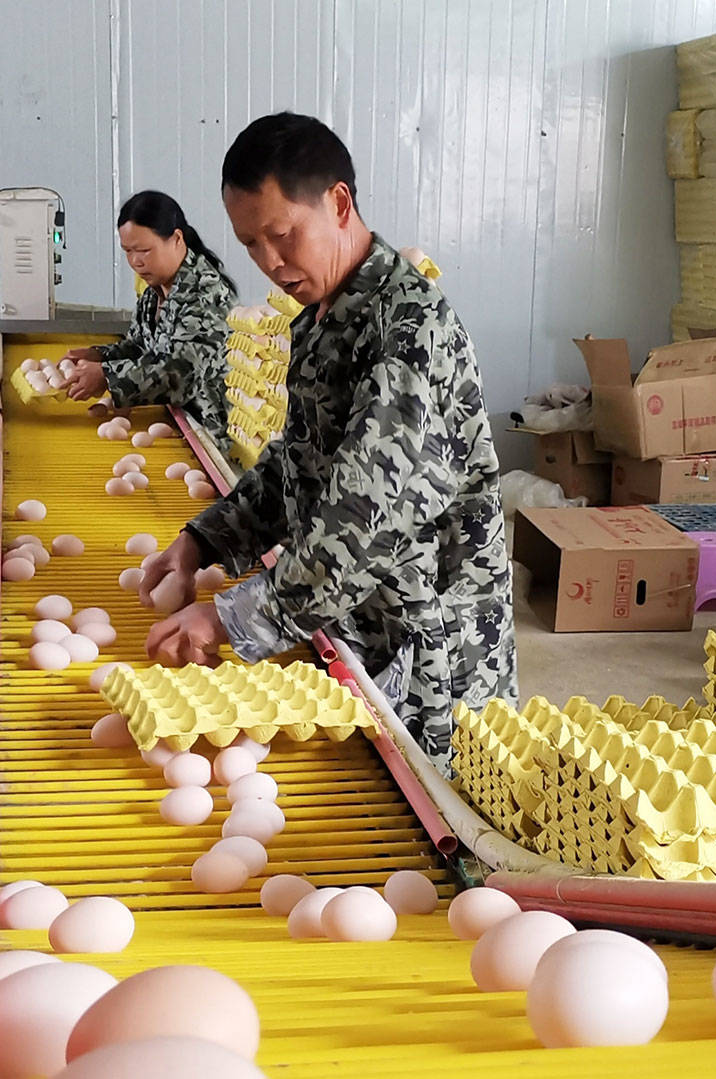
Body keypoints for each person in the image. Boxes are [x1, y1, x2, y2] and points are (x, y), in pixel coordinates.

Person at [140, 113, 517, 767]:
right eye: (250, 245)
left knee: (442, 839)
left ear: (338, 203)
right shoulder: (326, 315)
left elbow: (366, 513)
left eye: (282, 235)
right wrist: (205, 539)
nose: (270, 263)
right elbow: (301, 459)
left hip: (429, 660)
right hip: (358, 631)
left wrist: (234, 617)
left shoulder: (406, 325)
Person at [60, 191, 237, 441]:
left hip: (208, 437)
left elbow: (182, 373)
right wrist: (100, 355)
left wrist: (108, 376)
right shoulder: (155, 291)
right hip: (173, 421)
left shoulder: (206, 293)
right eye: (128, 251)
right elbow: (141, 347)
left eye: (143, 250)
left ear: (176, 239)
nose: (135, 262)